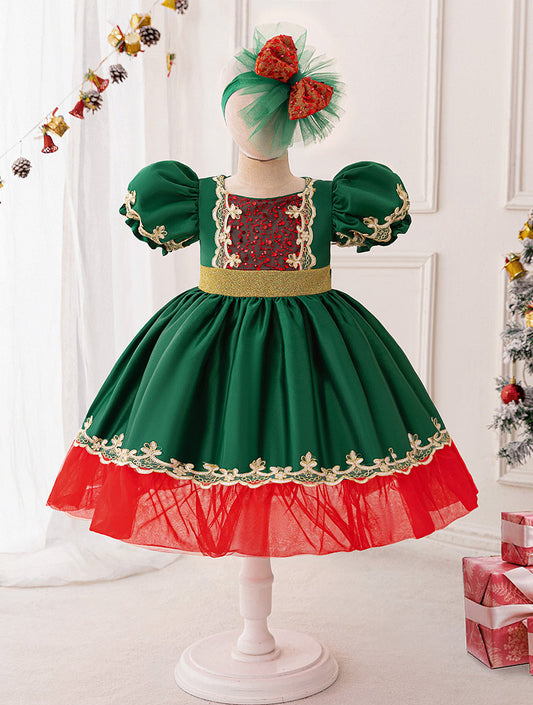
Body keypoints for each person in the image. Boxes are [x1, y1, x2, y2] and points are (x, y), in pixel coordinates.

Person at [47, 24, 478, 557]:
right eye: (245, 114)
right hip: (215, 346)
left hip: (311, 350)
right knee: (212, 444)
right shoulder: (195, 196)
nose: (256, 126)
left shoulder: (334, 198)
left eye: (263, 115)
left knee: (307, 449)